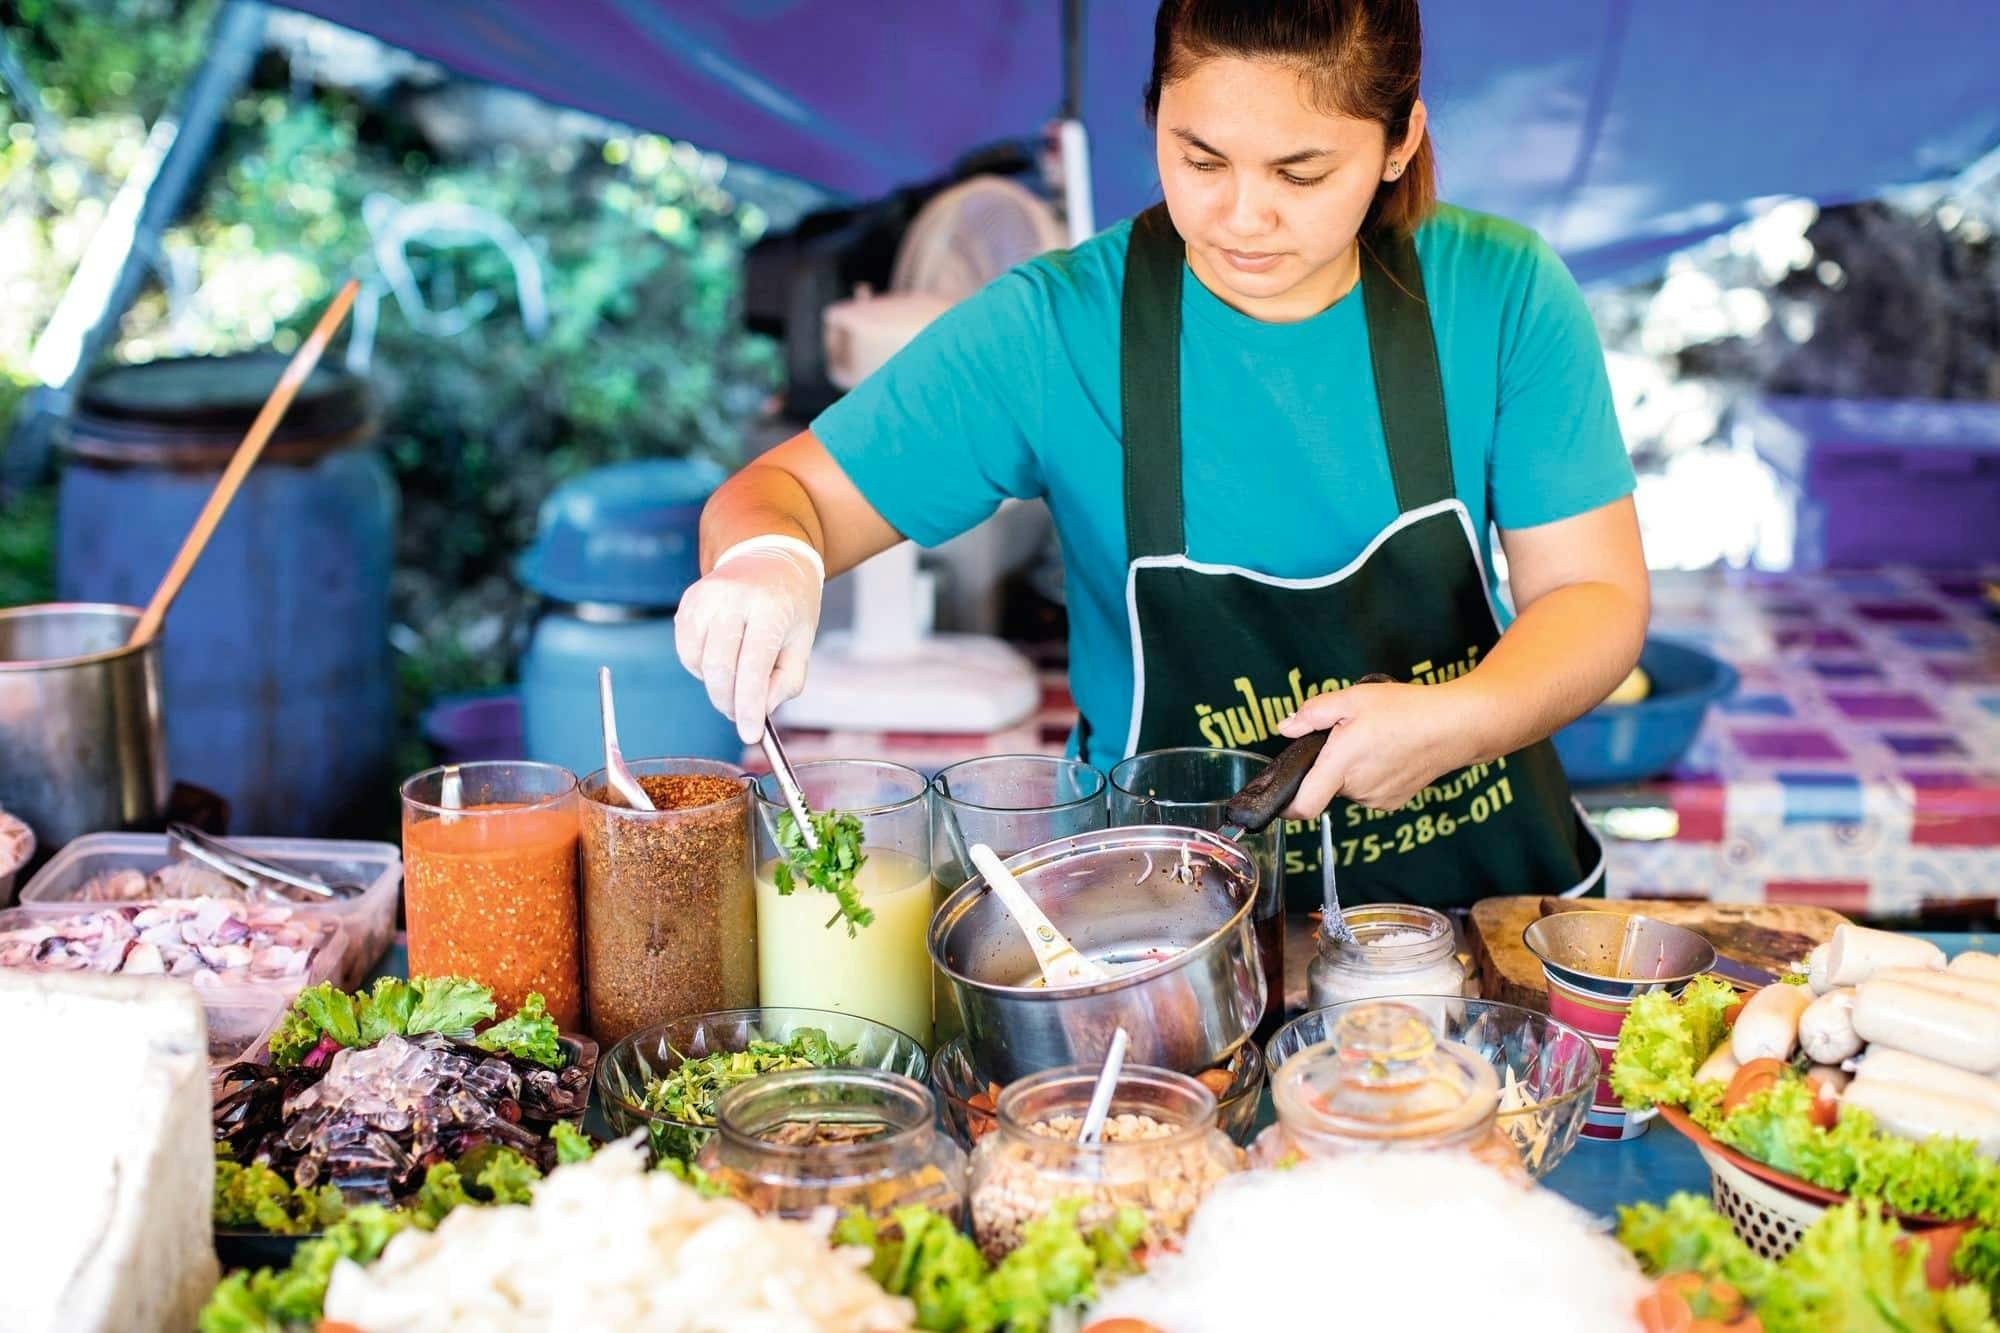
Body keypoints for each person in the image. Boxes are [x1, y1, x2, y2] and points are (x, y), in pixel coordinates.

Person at [675, 0, 1649, 910]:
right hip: (1164, 947)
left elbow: (1592, 597)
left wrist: (1459, 721)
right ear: (1152, 119)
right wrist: (769, 564)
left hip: (1485, 939)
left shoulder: (1498, 293)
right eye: (1199, 158)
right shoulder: (1056, 330)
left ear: (1399, 142)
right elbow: (783, 490)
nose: (1240, 215)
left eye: (1298, 173)